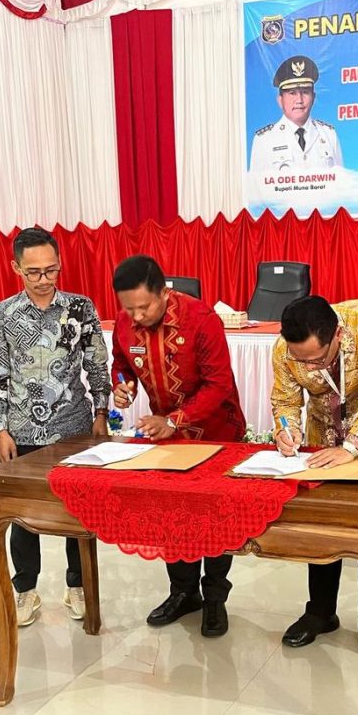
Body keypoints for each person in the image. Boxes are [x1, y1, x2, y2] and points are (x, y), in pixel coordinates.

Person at [109, 254, 246, 638]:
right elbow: (120, 361)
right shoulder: (126, 321)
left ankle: (215, 598)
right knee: (173, 516)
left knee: (215, 518)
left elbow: (218, 385)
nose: (136, 316)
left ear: (164, 292)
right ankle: (183, 592)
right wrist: (123, 384)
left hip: (216, 432)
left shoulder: (201, 319)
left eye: (144, 307)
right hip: (166, 437)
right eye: (129, 308)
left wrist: (173, 421)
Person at [0, 227, 110, 627]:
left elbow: (97, 364)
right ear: (15, 268)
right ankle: (25, 591)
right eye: (33, 272)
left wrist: (102, 413)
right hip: (21, 429)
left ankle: (79, 584)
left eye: (51, 270)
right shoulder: (2, 315)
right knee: (23, 515)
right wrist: (1, 429)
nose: (43, 280)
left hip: (74, 427)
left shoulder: (81, 308)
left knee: (79, 511)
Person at [271, 296, 358, 658]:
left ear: (338, 335)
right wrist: (286, 430)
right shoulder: (285, 348)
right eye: (302, 360)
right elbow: (285, 401)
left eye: (317, 358)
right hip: (323, 442)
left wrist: (353, 446)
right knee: (322, 530)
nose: (309, 366)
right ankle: (319, 612)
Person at [249, 55, 344, 173]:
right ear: (280, 100)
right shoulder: (264, 140)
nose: (299, 100)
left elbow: (340, 186)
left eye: (305, 92)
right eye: (292, 93)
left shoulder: (329, 135)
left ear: (313, 97)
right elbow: (257, 188)